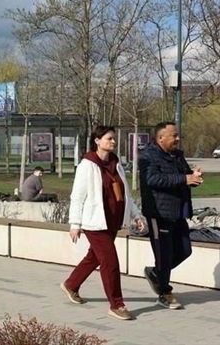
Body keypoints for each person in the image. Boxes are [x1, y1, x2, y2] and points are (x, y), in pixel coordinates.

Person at [61, 126, 145, 321]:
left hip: (112, 221)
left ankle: (71, 285)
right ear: (97, 141)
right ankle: (117, 304)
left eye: (114, 138)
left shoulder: (116, 164)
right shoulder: (87, 165)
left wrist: (136, 215)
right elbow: (77, 196)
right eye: (109, 138)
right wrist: (75, 223)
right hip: (95, 223)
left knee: (94, 257)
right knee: (110, 262)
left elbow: (126, 194)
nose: (113, 141)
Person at [138, 121, 201, 310]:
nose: (178, 139)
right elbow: (152, 179)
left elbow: (185, 175)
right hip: (159, 213)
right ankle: (164, 293)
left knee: (185, 250)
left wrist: (194, 176)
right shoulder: (148, 156)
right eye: (174, 136)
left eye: (177, 135)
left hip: (178, 211)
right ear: (160, 138)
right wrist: (184, 179)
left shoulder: (177, 155)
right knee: (164, 255)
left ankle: (157, 274)